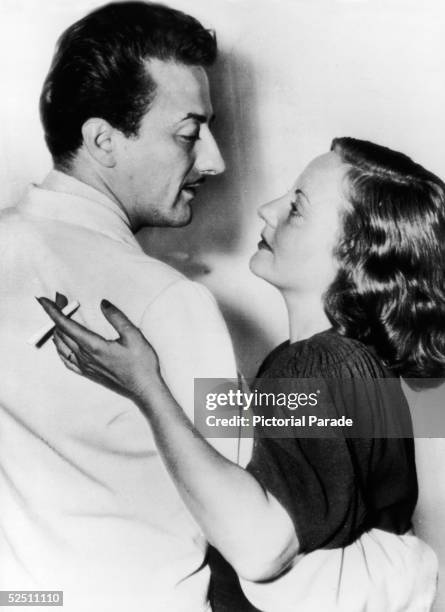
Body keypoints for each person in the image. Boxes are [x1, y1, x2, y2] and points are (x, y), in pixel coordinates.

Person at [40, 137, 441, 611]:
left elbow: (261, 549)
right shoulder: (344, 362)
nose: (268, 210)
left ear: (355, 254)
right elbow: (246, 433)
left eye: (297, 208)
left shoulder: (321, 363)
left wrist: (145, 387)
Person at [0, 3, 243, 611]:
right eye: (189, 134)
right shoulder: (167, 300)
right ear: (103, 140)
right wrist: (361, 393)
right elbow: (252, 491)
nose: (214, 161)